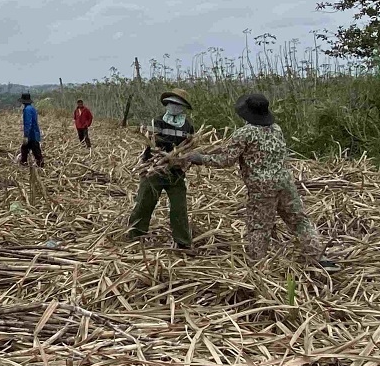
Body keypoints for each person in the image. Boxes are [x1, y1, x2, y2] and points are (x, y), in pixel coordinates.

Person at [188, 94, 337, 269]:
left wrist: (199, 158)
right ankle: (319, 258)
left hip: (262, 188)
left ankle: (257, 269)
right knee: (299, 221)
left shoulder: (244, 133)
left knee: (259, 228)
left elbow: (225, 160)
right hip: (285, 183)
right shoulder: (276, 129)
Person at [128, 88, 195, 250]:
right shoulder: (157, 122)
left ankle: (183, 241)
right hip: (154, 170)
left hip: (176, 173)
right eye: (171, 103)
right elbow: (151, 145)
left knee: (179, 208)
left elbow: (189, 147)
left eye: (177, 104)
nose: (173, 107)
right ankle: (135, 234)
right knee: (144, 202)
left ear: (183, 107)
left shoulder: (188, 126)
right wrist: (161, 158)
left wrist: (181, 160)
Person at [18, 92, 45, 167]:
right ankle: (24, 162)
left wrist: (26, 135)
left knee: (35, 150)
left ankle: (40, 164)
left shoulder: (27, 110)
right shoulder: (32, 108)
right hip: (34, 132)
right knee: (25, 148)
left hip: (31, 134)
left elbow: (28, 123)